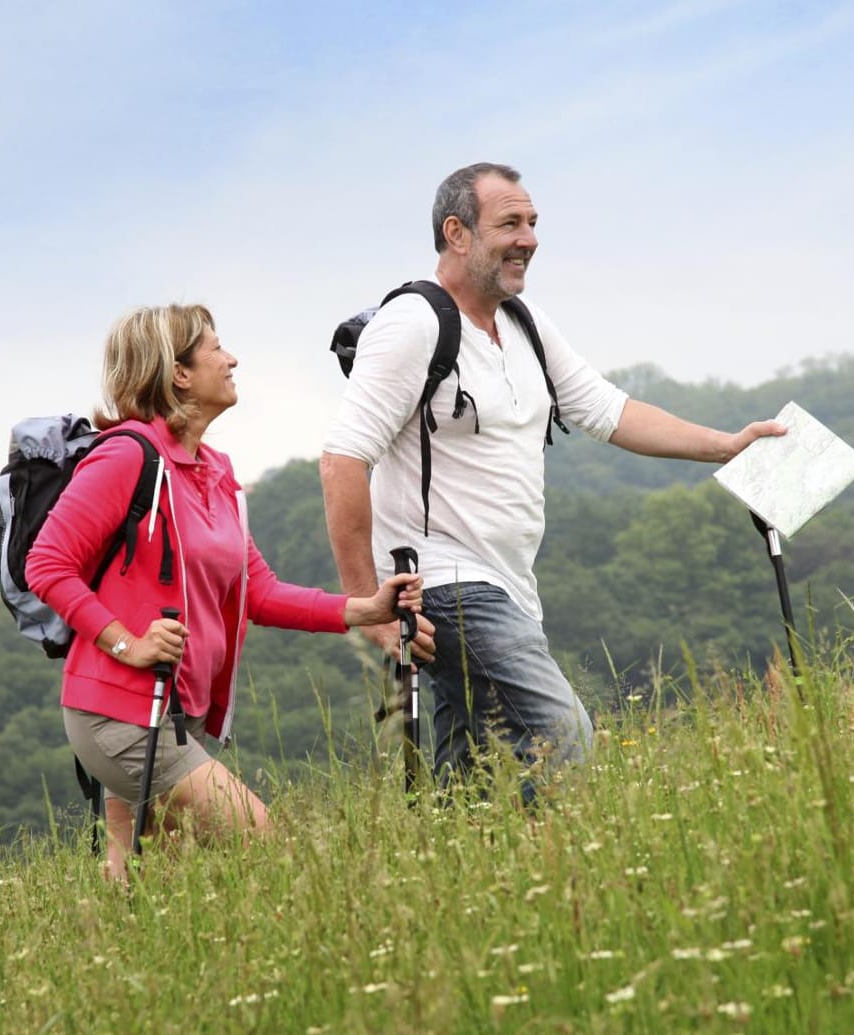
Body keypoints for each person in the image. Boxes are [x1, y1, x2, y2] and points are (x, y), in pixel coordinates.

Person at [320, 162, 786, 798]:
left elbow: (608, 411)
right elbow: (343, 460)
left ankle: (472, 880)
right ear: (456, 233)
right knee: (565, 737)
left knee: (473, 782)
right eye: (509, 223)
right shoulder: (412, 325)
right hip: (447, 585)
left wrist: (724, 446)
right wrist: (366, 606)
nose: (530, 239)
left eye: (533, 223)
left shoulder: (524, 323)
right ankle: (573, 873)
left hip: (512, 587)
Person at [28, 303, 422, 881]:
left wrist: (363, 610)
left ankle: (99, 968)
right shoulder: (127, 456)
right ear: (178, 372)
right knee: (261, 838)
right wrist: (126, 643)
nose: (231, 358)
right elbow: (48, 565)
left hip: (173, 709)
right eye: (215, 347)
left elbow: (257, 591)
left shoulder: (214, 471)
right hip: (121, 710)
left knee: (144, 879)